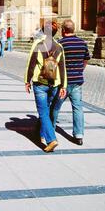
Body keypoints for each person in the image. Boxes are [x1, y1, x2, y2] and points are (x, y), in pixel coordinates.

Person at [25, 21, 67, 152]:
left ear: (43, 31)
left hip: (40, 84)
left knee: (43, 112)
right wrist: (63, 86)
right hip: (54, 84)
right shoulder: (59, 47)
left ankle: (51, 139)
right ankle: (42, 135)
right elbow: (62, 68)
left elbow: (31, 64)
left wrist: (27, 81)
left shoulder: (38, 45)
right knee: (46, 111)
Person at [52, 19, 91, 146]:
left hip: (63, 83)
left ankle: (50, 132)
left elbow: (54, 62)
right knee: (78, 108)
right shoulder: (82, 43)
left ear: (63, 30)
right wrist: (80, 70)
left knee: (55, 107)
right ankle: (79, 136)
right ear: (73, 30)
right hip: (77, 81)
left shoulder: (60, 44)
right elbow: (86, 59)